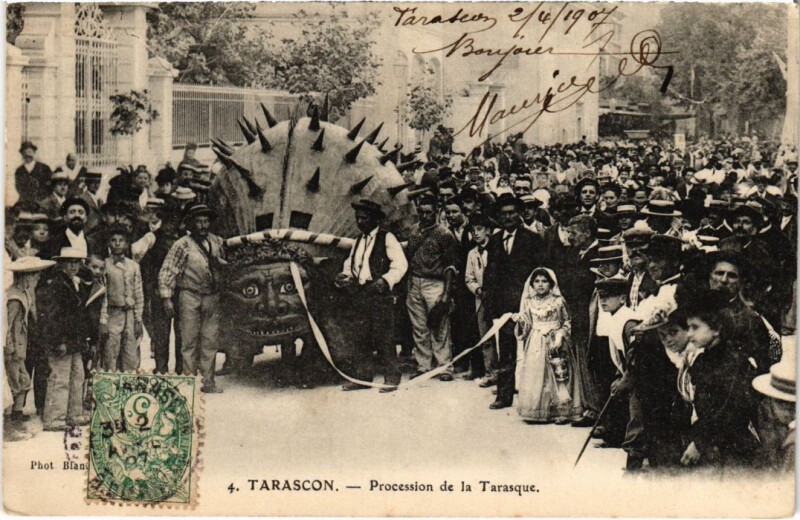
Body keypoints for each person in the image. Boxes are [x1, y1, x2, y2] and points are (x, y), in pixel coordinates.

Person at [680, 290, 760, 467]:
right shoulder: (705, 358)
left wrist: (699, 443)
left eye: (695, 327)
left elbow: (728, 411)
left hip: (729, 448)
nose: (689, 334)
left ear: (716, 329)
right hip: (710, 442)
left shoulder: (733, 362)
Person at [335, 199, 408, 392]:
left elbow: (400, 264)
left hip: (379, 294)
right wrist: (345, 276)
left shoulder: (387, 238)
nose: (360, 222)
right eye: (358, 218)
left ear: (375, 220)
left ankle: (392, 377)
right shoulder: (359, 240)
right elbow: (351, 264)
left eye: (364, 218)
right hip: (360, 293)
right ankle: (362, 377)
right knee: (360, 336)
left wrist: (385, 281)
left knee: (384, 336)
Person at [483, 193, 547, 409]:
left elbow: (539, 273)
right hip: (503, 308)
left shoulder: (533, 239)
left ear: (520, 214)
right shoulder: (493, 241)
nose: (508, 217)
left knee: (533, 349)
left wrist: (535, 302)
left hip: (528, 305)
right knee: (506, 350)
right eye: (504, 214)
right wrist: (490, 305)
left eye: (512, 213)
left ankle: (533, 397)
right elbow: (489, 275)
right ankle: (504, 394)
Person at [158, 204, 226, 393]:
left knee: (210, 339)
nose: (203, 225)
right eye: (199, 222)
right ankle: (189, 382)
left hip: (211, 296)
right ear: (191, 224)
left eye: (206, 221)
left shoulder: (217, 241)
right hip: (189, 294)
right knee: (188, 340)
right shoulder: (182, 244)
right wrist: (166, 298)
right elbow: (168, 270)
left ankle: (207, 381)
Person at [405, 195, 459, 381]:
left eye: (429, 212)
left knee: (439, 325)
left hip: (435, 283)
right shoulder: (413, 231)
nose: (425, 216)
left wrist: (446, 294)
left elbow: (451, 266)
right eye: (422, 212)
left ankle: (444, 366)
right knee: (419, 326)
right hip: (415, 282)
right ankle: (423, 366)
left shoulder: (444, 234)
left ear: (436, 213)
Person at [37, 247, 91, 431]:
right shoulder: (56, 286)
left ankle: (73, 414)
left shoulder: (76, 284)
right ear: (60, 264)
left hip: (74, 340)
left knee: (77, 376)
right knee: (59, 378)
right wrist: (58, 341)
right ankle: (54, 417)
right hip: (62, 339)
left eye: (76, 262)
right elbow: (52, 317)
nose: (73, 266)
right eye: (69, 262)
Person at [514, 267, 572, 424]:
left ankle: (560, 411)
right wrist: (520, 321)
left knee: (557, 373)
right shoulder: (529, 303)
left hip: (554, 340)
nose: (540, 285)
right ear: (532, 284)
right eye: (537, 281)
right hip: (535, 341)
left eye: (544, 281)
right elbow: (526, 326)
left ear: (551, 284)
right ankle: (537, 409)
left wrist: (560, 337)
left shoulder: (558, 302)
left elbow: (566, 322)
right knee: (535, 373)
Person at [5, 257, 56, 428]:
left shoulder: (24, 293)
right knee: (16, 380)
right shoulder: (14, 298)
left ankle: (17, 413)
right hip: (14, 346)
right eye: (35, 275)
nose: (38, 278)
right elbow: (7, 325)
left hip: (21, 344)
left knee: (22, 380)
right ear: (26, 276)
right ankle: (11, 417)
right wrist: (9, 346)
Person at [99, 227, 144, 371]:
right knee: (110, 350)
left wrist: (138, 319)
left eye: (121, 241)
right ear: (108, 243)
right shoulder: (104, 265)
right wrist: (103, 320)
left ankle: (128, 386)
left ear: (126, 244)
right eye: (113, 240)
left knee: (130, 351)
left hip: (129, 315)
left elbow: (138, 293)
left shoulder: (134, 266)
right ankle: (109, 385)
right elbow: (103, 295)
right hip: (113, 313)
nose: (117, 244)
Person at [464, 214, 497, 387]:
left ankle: (504, 373)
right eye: (472, 230)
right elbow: (469, 277)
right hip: (481, 299)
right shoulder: (472, 253)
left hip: (497, 299)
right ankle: (490, 372)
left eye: (479, 229)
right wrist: (478, 290)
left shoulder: (497, 247)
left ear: (488, 231)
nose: (476, 233)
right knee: (486, 336)